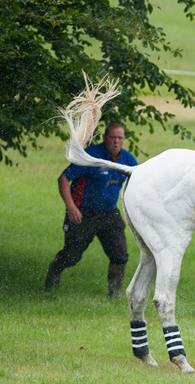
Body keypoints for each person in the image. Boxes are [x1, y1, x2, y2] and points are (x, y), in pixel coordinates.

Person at [45, 122, 138, 296]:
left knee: (120, 255)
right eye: (113, 137)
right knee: (72, 256)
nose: (116, 142)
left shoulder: (128, 160)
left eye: (120, 138)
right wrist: (71, 207)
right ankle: (55, 270)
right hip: (83, 213)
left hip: (110, 213)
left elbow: (140, 183)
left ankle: (114, 291)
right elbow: (63, 178)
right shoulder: (90, 157)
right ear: (105, 138)